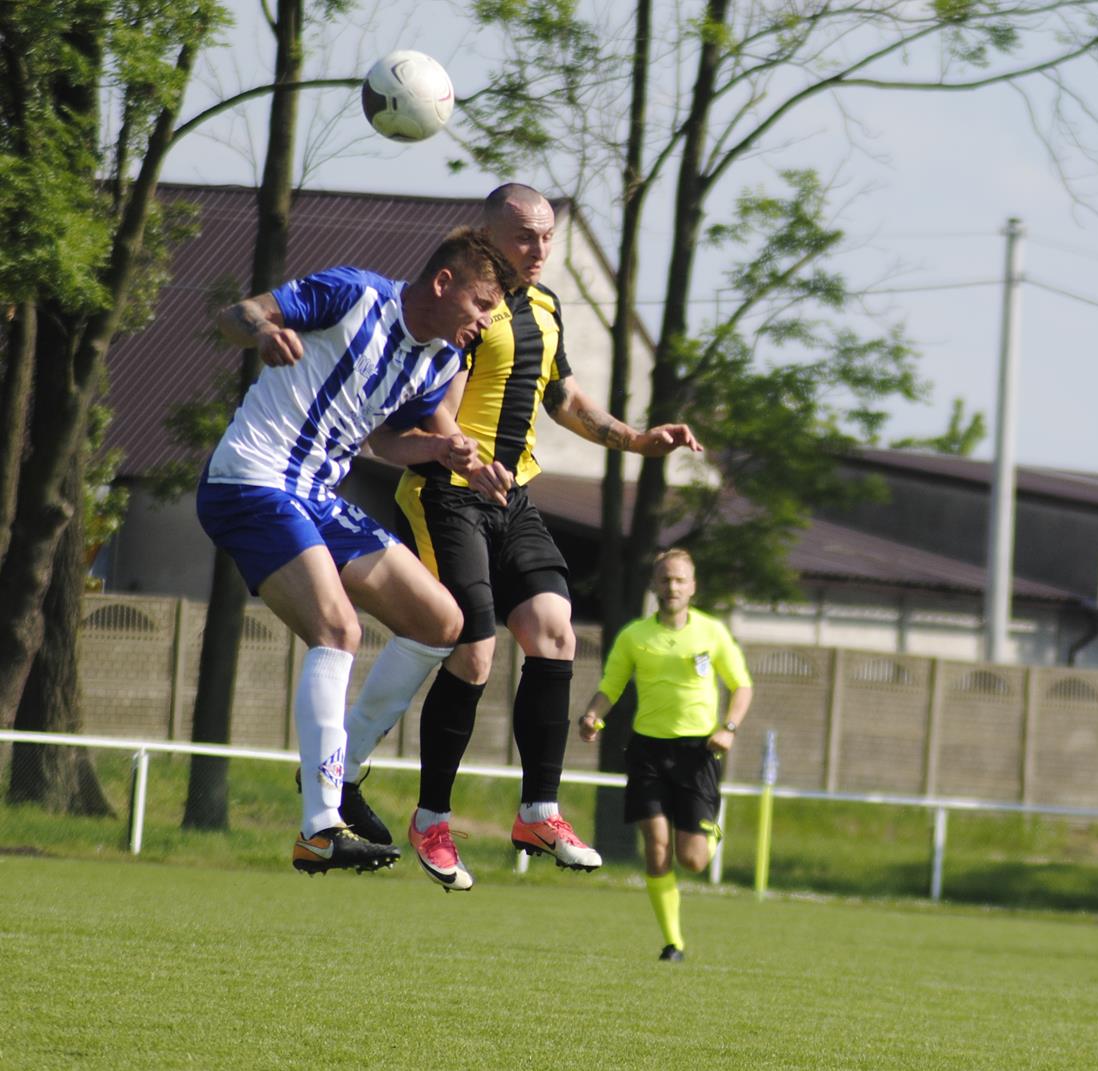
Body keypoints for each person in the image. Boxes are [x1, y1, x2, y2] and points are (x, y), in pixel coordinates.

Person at [341, 183, 702, 891]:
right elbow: (432, 404)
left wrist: (635, 437)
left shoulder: (545, 308)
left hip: (514, 497)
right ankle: (432, 819)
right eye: (523, 237)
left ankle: (538, 808)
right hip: (447, 495)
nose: (538, 250)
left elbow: (560, 397)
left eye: (546, 237)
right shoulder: (467, 312)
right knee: (473, 650)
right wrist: (465, 457)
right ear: (488, 234)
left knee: (554, 630)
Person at [198, 227, 518, 875]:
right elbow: (236, 313)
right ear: (442, 283)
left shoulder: (440, 363)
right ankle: (319, 828)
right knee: (338, 628)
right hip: (252, 478)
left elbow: (384, 442)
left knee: (442, 622)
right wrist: (262, 329)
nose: (484, 325)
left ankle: (339, 773)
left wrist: (440, 449)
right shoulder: (354, 295)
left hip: (315, 493)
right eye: (482, 306)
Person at [578, 549, 752, 961]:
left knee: (692, 860)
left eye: (680, 580)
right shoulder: (635, 636)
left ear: (693, 586)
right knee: (656, 847)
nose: (672, 587)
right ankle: (673, 942)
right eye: (665, 580)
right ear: (654, 586)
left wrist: (728, 728)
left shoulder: (712, 633)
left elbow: (741, 685)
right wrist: (591, 715)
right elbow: (612, 685)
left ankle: (709, 829)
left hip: (699, 752)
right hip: (648, 751)